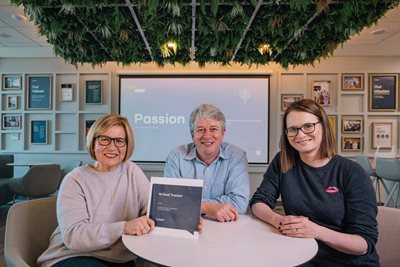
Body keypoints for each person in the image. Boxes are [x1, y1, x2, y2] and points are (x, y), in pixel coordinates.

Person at [250, 99, 379, 266]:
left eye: (308, 126)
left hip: (347, 262)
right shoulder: (283, 161)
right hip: (300, 257)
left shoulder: (352, 173)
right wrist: (278, 221)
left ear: (323, 126)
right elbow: (258, 202)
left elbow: (363, 244)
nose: (300, 134)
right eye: (293, 129)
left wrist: (315, 231)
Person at [37, 114, 155, 267]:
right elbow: (74, 237)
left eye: (119, 141)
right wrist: (123, 227)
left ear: (127, 146)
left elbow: (152, 211)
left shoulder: (132, 171)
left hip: (120, 258)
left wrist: (187, 220)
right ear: (93, 143)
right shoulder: (75, 180)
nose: (112, 147)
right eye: (104, 139)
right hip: (73, 256)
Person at [164, 103, 250, 222]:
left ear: (223, 133)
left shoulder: (237, 157)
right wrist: (207, 207)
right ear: (192, 135)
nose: (207, 135)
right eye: (200, 130)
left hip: (226, 228)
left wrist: (191, 204)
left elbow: (239, 204)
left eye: (213, 129)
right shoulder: (176, 157)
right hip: (186, 224)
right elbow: (170, 202)